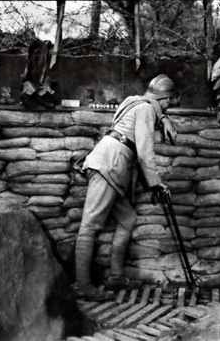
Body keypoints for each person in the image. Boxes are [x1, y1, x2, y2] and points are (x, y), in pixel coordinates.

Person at [74, 74, 177, 300]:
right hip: (108, 167)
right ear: (164, 99)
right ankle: (83, 286)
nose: (168, 107)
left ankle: (116, 277)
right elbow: (144, 152)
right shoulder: (147, 111)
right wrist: (156, 183)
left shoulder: (135, 102)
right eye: (169, 102)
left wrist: (164, 119)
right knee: (90, 226)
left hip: (111, 166)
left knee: (127, 219)